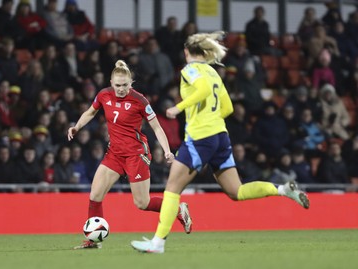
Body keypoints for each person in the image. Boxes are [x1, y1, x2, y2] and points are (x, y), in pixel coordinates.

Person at [131, 31, 310, 254]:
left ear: (186, 52)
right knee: (237, 191)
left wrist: (179, 107)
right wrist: (211, 119)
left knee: (172, 188)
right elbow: (228, 108)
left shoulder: (190, 70)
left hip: (200, 136)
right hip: (220, 137)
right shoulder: (214, 73)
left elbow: (203, 91)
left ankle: (157, 243)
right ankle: (283, 189)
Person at [67, 60, 192, 249]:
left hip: (136, 154)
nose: (120, 89)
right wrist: (77, 126)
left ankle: (177, 209)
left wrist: (167, 151)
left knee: (142, 203)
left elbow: (156, 127)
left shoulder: (139, 100)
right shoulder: (104, 95)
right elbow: (90, 112)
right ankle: (93, 241)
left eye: (125, 85)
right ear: (111, 82)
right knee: (95, 195)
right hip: (115, 153)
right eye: (117, 85)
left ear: (130, 83)